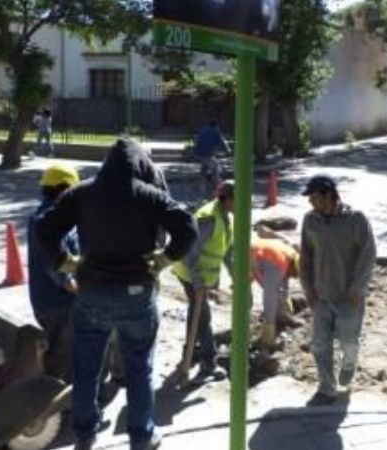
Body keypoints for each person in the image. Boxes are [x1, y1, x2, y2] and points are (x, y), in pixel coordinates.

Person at [35, 139, 198, 450]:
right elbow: (187, 226)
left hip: (92, 293)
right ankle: (141, 437)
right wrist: (164, 259)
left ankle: (85, 436)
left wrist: (65, 262)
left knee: (87, 367)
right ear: (139, 166)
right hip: (137, 295)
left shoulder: (81, 193)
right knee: (138, 368)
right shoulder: (148, 195)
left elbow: (44, 228)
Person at [299, 174, 376, 406]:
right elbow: (305, 256)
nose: (311, 203)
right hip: (322, 295)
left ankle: (349, 363)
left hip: (348, 297)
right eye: (310, 199)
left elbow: (368, 254)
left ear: (330, 195)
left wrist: (357, 288)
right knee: (320, 344)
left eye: (315, 198)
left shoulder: (355, 220)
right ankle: (327, 388)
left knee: (347, 341)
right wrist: (307, 288)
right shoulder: (311, 221)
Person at [172, 180, 235, 382]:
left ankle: (188, 356)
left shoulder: (226, 217)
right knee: (203, 317)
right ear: (227, 199)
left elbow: (227, 251)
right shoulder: (208, 218)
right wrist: (198, 281)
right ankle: (208, 365)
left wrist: (236, 277)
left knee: (196, 314)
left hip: (201, 276)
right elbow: (190, 251)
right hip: (191, 274)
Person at [27, 164, 80, 381]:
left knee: (62, 354)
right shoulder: (52, 222)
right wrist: (83, 289)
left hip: (45, 300)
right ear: (64, 189)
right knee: (62, 360)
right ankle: (61, 406)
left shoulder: (41, 215)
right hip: (59, 305)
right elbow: (59, 271)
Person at [250, 237, 301, 348]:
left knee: (276, 289)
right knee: (246, 299)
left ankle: (283, 317)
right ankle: (243, 330)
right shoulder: (278, 267)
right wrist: (269, 326)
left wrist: (287, 314)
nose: (294, 277)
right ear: (293, 267)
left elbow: (284, 287)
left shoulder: (290, 254)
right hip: (246, 260)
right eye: (295, 275)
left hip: (260, 253)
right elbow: (269, 298)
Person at [193, 121, 231, 197]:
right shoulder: (216, 132)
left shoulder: (203, 130)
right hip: (208, 155)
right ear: (216, 126)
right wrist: (228, 151)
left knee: (204, 170)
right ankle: (220, 192)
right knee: (216, 170)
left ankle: (202, 192)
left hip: (199, 154)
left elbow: (197, 141)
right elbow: (223, 144)